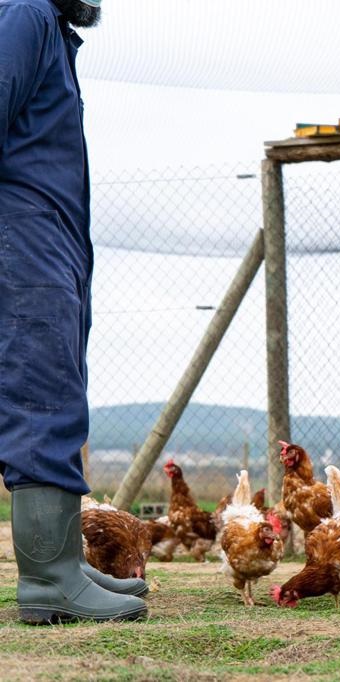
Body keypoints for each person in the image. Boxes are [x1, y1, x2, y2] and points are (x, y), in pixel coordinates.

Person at [0, 0, 147, 623]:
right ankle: (47, 579)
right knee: (42, 398)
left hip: (48, 239)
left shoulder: (49, 30)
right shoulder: (25, 14)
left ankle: (60, 560)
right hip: (24, 237)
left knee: (57, 391)